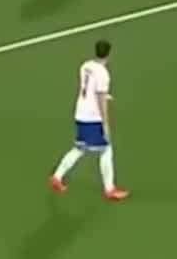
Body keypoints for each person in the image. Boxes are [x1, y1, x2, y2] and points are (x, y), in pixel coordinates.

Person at [48, 38, 129, 201]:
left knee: (80, 148)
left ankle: (57, 176)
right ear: (109, 54)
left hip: (80, 113)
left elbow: (88, 88)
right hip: (92, 117)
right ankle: (109, 189)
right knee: (106, 149)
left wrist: (105, 95)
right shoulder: (103, 74)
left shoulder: (86, 66)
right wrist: (105, 124)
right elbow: (100, 99)